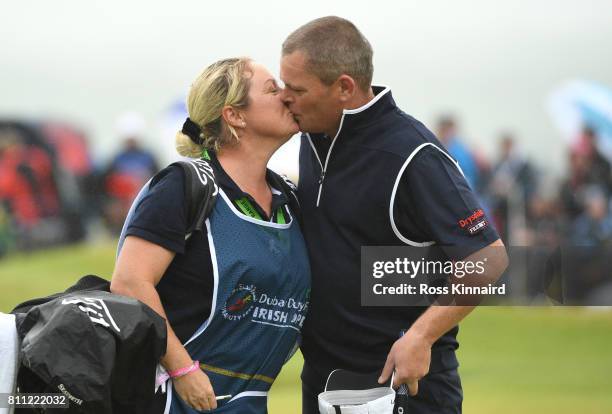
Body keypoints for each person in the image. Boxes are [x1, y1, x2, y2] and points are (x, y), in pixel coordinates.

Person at [279, 16, 508, 413]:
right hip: (322, 382)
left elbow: (488, 258)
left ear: (344, 88)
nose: (286, 98)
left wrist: (421, 336)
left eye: (297, 89)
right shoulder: (314, 137)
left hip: (402, 388)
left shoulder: (412, 153)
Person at [111, 57, 311, 414]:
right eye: (272, 89)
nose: (287, 96)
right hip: (174, 399)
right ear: (234, 115)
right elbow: (129, 282)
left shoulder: (289, 200)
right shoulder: (184, 186)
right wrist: (183, 369)